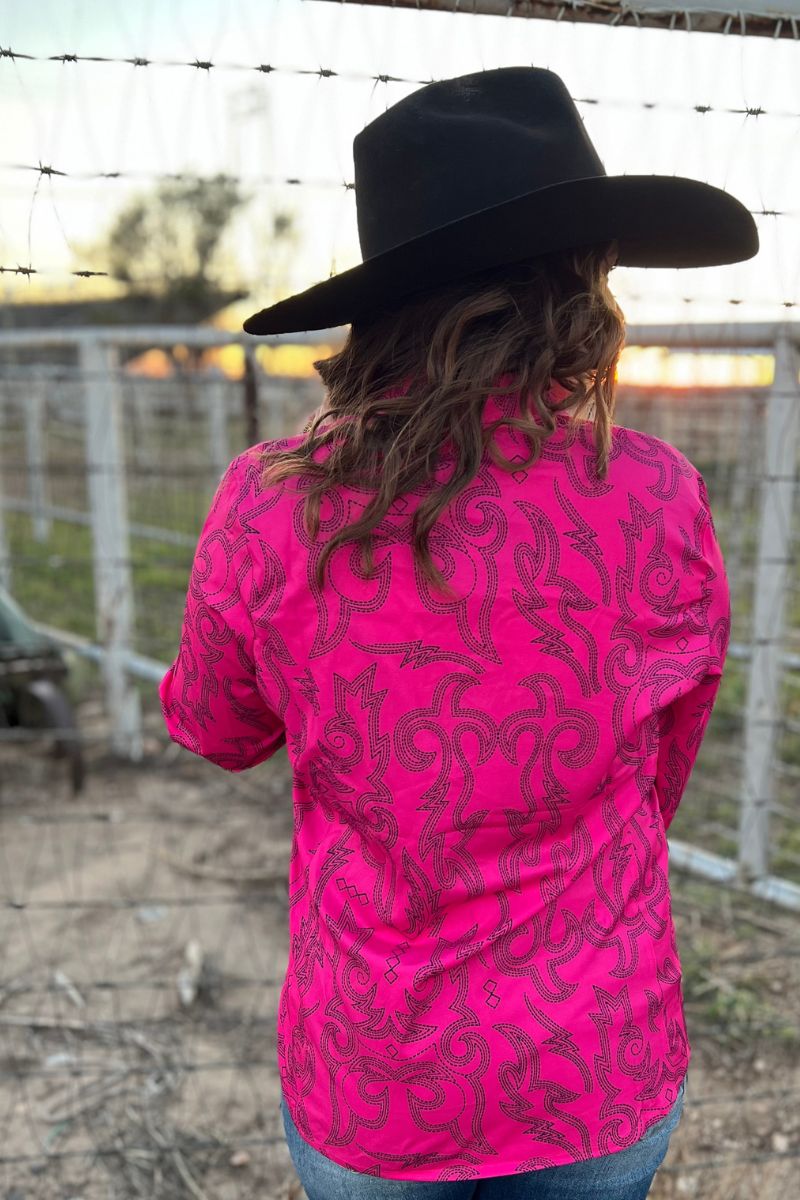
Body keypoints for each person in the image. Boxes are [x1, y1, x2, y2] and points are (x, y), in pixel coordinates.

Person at [159, 67, 757, 1200]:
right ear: (579, 288)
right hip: (594, 1056)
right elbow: (661, 762)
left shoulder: (269, 500)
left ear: (381, 303)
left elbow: (214, 728)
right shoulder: (654, 493)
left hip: (373, 1070)